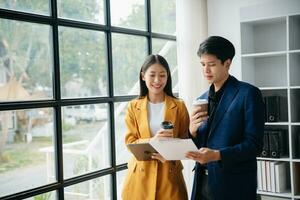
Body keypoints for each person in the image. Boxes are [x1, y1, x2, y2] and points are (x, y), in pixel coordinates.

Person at [186, 36, 265, 200]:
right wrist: (191, 132)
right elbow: (200, 146)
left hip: (234, 185)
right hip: (202, 183)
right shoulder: (201, 99)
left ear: (227, 63)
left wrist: (217, 155)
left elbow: (254, 145)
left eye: (211, 64)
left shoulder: (248, 94)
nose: (206, 70)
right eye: (203, 64)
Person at [121, 54, 190, 200]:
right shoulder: (134, 106)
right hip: (139, 177)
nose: (157, 80)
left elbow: (186, 139)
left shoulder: (179, 106)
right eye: (152, 75)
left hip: (170, 175)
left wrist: (170, 152)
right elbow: (130, 142)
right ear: (143, 76)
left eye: (162, 75)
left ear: (168, 77)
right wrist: (153, 141)